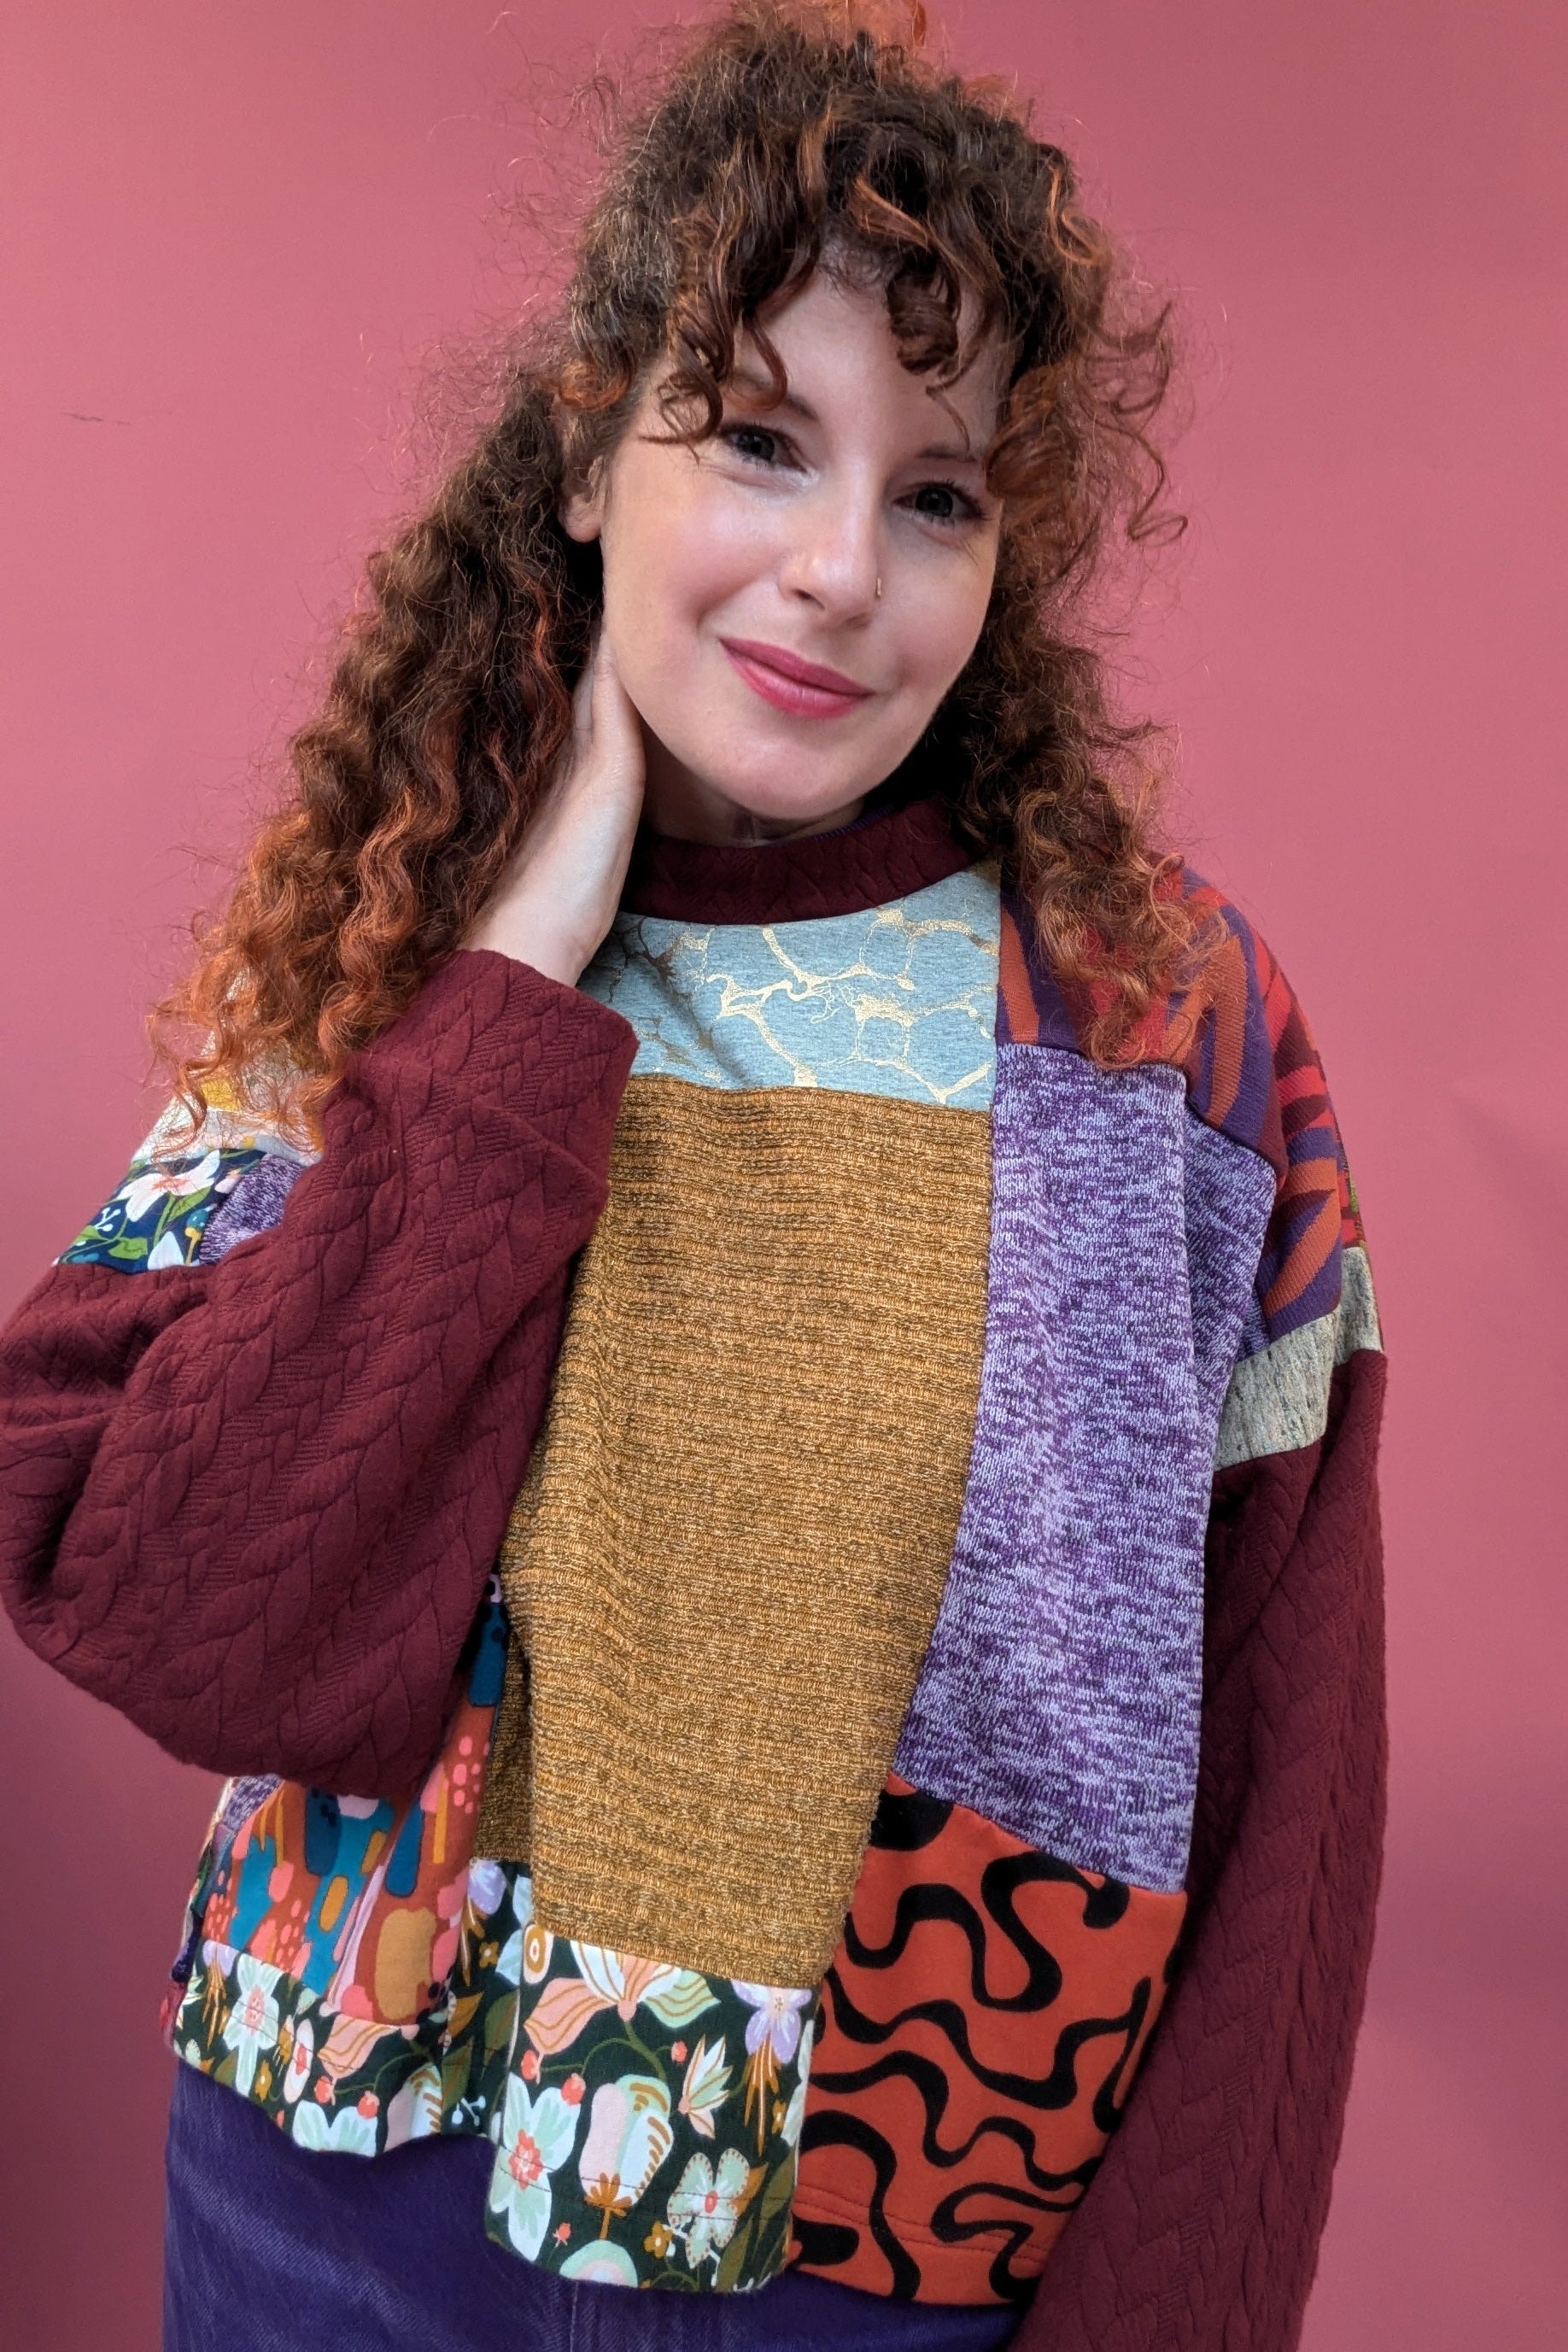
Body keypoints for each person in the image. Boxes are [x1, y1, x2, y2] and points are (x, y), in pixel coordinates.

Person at [0, 5, 1387, 2348]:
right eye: (757, 438)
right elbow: (176, 1606)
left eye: (936, 494)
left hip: (871, 2269)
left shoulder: (1156, 1032)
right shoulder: (397, 939)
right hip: (319, 2231)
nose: (841, 570)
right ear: (583, 452)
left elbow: (1284, 1783)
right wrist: (511, 995)